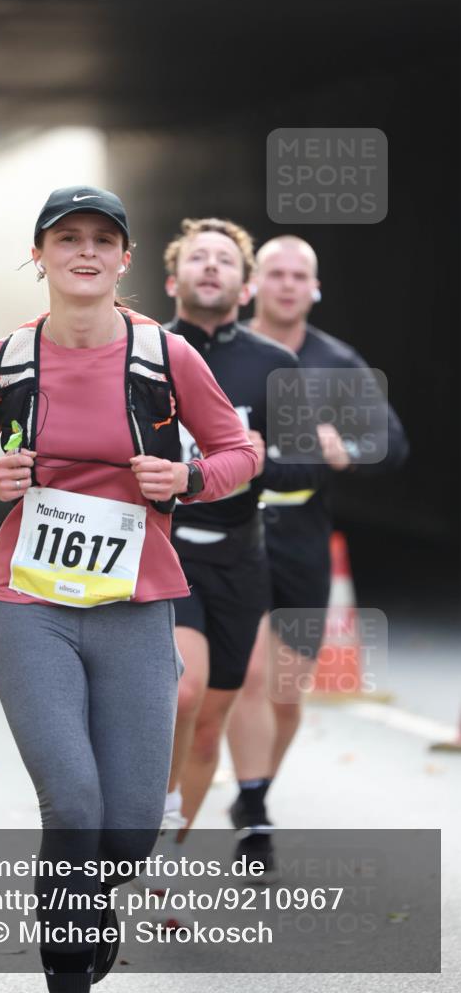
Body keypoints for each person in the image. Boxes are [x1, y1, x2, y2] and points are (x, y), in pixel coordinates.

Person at [0, 187, 259, 991]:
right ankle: (66, 966)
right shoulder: (3, 360)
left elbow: (240, 453)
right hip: (30, 607)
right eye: (65, 238)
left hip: (136, 607)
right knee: (73, 806)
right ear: (37, 255)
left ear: (125, 260)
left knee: (130, 825)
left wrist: (185, 475)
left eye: (101, 240)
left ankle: (87, 904)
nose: (84, 252)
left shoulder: (165, 357)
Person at [226, 235, 409, 836]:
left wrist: (346, 450)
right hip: (231, 531)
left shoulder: (337, 361)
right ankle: (254, 809)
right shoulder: (223, 352)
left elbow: (393, 443)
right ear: (252, 285)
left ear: (315, 287)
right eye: (274, 273)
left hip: (301, 535)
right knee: (248, 676)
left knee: (284, 691)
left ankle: (255, 790)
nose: (285, 284)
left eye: (297, 276)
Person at [159, 219, 328, 844]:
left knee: (209, 723)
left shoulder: (273, 364)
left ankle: (168, 861)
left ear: (246, 286)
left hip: (241, 559)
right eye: (197, 258)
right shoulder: (145, 354)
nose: (211, 267)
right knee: (183, 693)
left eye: (224, 260)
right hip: (164, 554)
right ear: (173, 279)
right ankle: (145, 827)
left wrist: (257, 453)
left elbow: (306, 464)